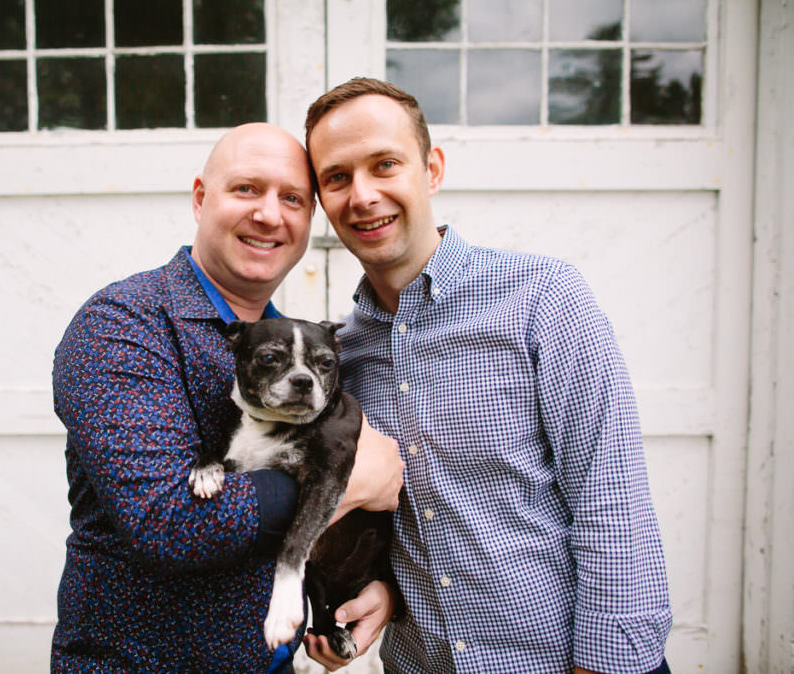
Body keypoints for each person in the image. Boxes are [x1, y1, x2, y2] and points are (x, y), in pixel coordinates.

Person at [300, 78, 672, 674]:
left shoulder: (542, 299)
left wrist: (603, 665)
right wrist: (386, 596)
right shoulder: (342, 358)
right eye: (337, 177)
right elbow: (405, 521)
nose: (363, 195)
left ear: (433, 169)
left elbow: (611, 498)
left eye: (385, 164)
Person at [49, 122, 404, 672]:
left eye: (292, 198)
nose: (269, 214)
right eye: (246, 189)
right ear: (200, 198)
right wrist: (350, 482)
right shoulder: (123, 324)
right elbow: (166, 522)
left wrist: (359, 586)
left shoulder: (299, 346)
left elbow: (321, 515)